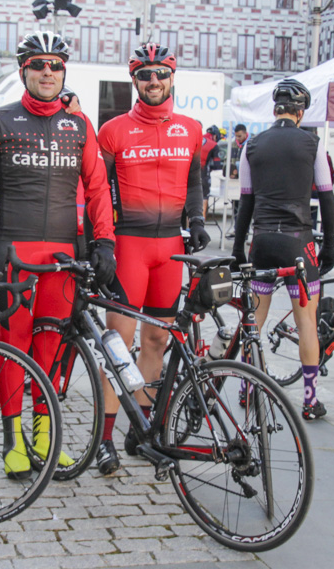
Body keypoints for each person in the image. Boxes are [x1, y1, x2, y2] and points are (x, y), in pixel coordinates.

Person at [0, 31, 116, 478]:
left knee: (50, 348)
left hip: (62, 256)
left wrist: (103, 241)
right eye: (37, 65)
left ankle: (44, 440)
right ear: (23, 71)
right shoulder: (0, 120)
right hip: (15, 252)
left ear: (63, 72)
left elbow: (97, 187)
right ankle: (13, 444)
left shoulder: (79, 124)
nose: (47, 72)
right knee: (15, 348)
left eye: (54, 65)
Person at [93, 43, 209, 475]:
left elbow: (194, 181)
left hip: (170, 250)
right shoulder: (113, 130)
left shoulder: (191, 128)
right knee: (117, 346)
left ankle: (141, 430)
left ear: (172, 77)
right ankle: (103, 438)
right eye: (145, 75)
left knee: (157, 340)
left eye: (160, 73)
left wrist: (196, 219)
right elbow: (98, 193)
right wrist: (100, 242)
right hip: (130, 248)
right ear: (134, 81)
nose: (154, 81)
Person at [231, 78, 334, 421]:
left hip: (262, 240)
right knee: (306, 321)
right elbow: (326, 198)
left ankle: (248, 388)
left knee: (255, 321)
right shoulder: (312, 143)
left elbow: (244, 203)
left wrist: (237, 248)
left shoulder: (253, 144)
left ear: (274, 109)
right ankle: (309, 400)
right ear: (301, 112)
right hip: (298, 242)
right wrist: (330, 246)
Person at [200, 126, 223, 218]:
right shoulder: (213, 144)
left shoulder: (195, 139)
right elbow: (217, 165)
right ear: (214, 136)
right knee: (203, 198)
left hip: (187, 175)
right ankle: (200, 224)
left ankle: (186, 227)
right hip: (203, 175)